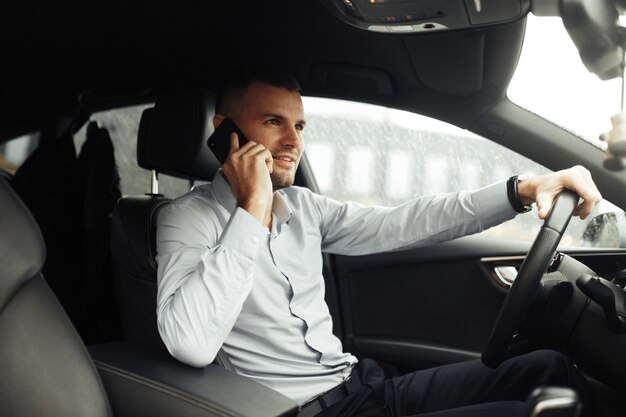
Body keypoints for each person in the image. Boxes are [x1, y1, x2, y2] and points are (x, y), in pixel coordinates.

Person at [155, 67, 603, 417]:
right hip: (307, 412)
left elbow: (405, 222)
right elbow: (190, 343)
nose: (294, 141)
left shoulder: (305, 208)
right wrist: (251, 207)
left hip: (363, 389)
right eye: (274, 122)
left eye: (300, 126)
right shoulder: (186, 219)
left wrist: (521, 190)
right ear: (224, 130)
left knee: (549, 370)